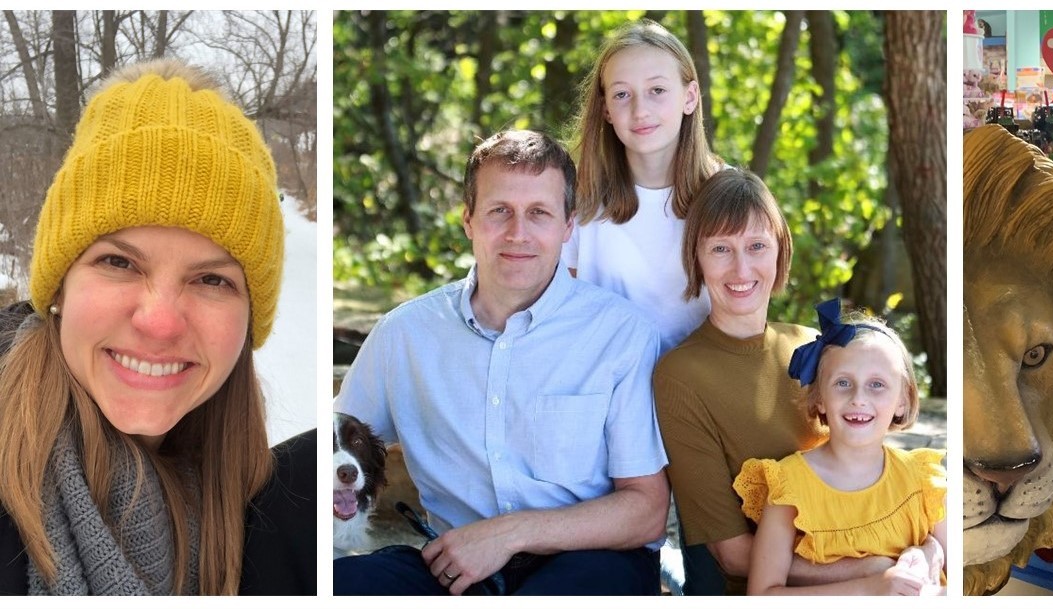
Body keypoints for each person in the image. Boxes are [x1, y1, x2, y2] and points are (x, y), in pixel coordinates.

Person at [0, 59, 315, 595]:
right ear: (58, 286)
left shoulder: (274, 508)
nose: (161, 321)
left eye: (212, 280)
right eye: (119, 263)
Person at [332, 129, 669, 596]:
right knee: (343, 587)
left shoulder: (621, 336)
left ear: (568, 225)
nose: (518, 233)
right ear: (468, 220)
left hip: (589, 564)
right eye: (499, 212)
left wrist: (509, 534)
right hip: (452, 567)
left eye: (539, 213)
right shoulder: (404, 335)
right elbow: (331, 455)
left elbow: (646, 509)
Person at [654, 170, 920, 595]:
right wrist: (868, 573)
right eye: (721, 248)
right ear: (697, 258)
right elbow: (732, 554)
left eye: (757, 246)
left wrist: (914, 554)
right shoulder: (680, 376)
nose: (741, 268)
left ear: (780, 251)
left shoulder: (815, 346)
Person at [734, 300, 946, 596]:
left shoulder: (923, 480)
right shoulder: (789, 485)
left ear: (903, 400)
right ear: (820, 397)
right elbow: (762, 594)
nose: (859, 398)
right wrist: (872, 588)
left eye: (877, 385)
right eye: (843, 383)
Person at [565, 18, 719, 354]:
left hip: (699, 388)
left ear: (689, 97)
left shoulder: (726, 195)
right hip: (607, 385)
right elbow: (561, 314)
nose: (640, 110)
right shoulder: (579, 199)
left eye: (657, 91)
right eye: (622, 94)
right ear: (606, 109)